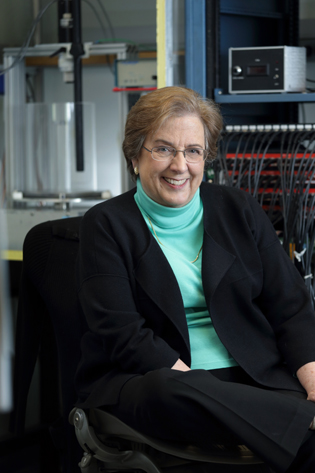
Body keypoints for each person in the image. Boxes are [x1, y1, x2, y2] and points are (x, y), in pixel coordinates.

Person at [75, 86, 315, 472]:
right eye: (164, 149)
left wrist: (313, 381)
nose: (179, 165)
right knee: (168, 390)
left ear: (206, 158)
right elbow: (122, 334)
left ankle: (293, 422)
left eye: (193, 151)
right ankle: (299, 422)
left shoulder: (238, 209)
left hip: (251, 376)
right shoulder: (106, 225)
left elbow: (290, 306)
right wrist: (204, 387)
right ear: (135, 155)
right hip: (158, 379)